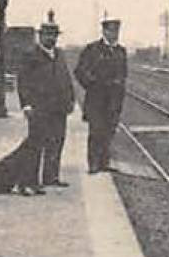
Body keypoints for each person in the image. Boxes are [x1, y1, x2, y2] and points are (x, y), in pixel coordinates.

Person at [16, 16, 77, 188]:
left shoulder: (59, 55)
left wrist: (71, 99)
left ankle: (51, 177)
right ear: (40, 36)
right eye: (47, 35)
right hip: (39, 108)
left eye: (54, 35)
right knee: (36, 144)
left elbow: (66, 78)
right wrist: (26, 105)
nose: (51, 38)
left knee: (57, 142)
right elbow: (23, 82)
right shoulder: (31, 56)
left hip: (59, 108)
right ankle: (31, 181)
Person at [73, 16, 128, 175]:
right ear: (104, 31)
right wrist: (92, 85)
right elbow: (79, 71)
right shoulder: (92, 49)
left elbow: (124, 74)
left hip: (114, 101)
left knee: (109, 131)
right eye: (111, 30)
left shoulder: (121, 51)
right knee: (96, 131)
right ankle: (93, 163)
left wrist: (119, 87)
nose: (114, 34)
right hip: (96, 99)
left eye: (116, 31)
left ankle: (104, 162)